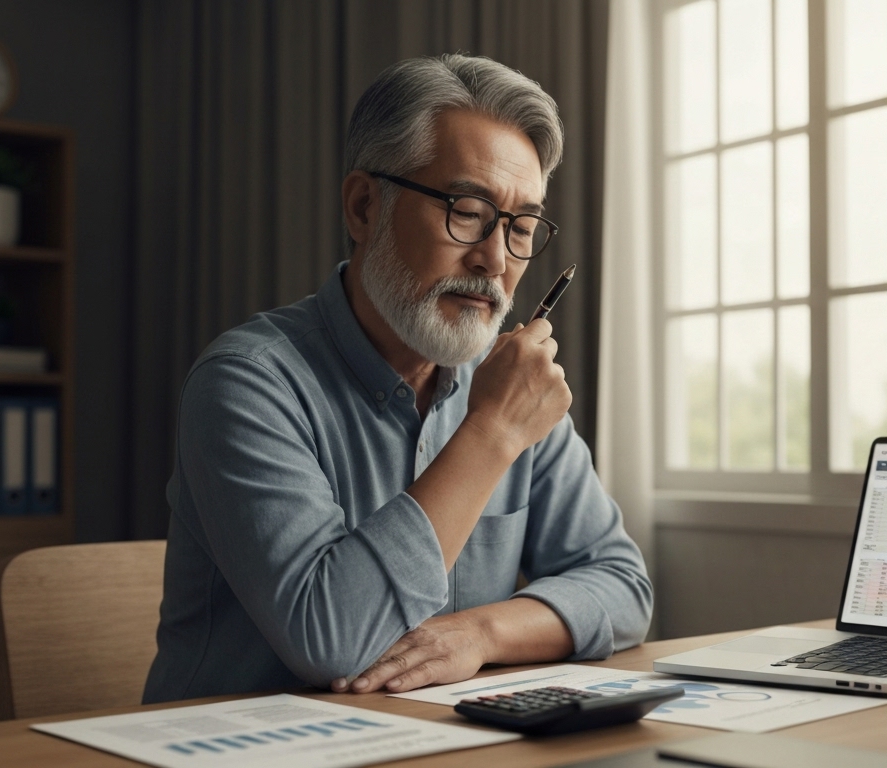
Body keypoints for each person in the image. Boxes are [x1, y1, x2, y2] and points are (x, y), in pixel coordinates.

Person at [143, 53, 652, 703]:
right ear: (364, 207)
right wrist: (491, 433)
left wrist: (482, 633)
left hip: (435, 739)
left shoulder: (506, 386)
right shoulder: (245, 384)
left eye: (521, 227)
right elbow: (332, 641)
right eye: (466, 211)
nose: (495, 260)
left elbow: (623, 586)